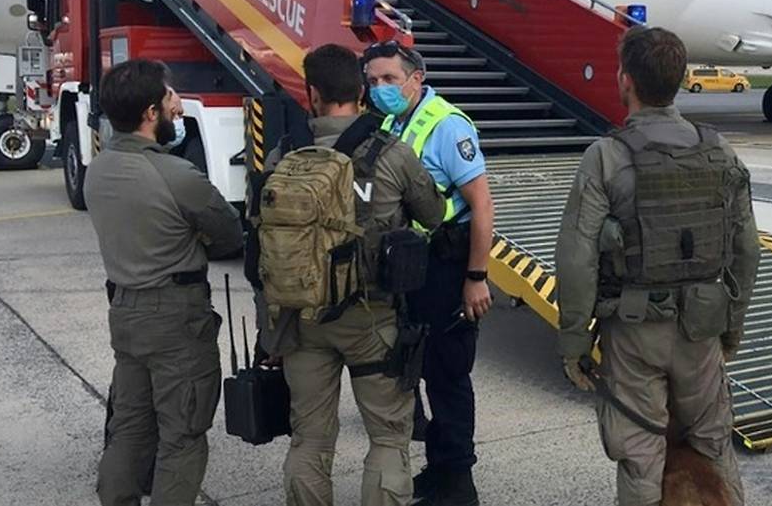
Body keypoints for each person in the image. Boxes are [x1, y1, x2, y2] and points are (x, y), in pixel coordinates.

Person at [554, 26, 760, 506]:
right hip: (702, 327)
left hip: (633, 332)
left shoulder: (606, 157)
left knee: (640, 453)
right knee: (713, 445)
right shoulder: (719, 151)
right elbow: (746, 249)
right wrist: (732, 329)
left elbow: (577, 256)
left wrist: (574, 342)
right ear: (680, 79)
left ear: (625, 80)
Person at [250, 44, 447, 506]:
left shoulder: (284, 154)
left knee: (311, 440)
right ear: (362, 92)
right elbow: (434, 214)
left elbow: (259, 237)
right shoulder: (391, 152)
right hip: (372, 317)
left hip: (302, 320)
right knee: (387, 437)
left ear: (312, 93)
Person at [87, 59, 243, 506]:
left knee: (130, 428)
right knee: (183, 434)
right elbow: (229, 232)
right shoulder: (175, 175)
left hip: (125, 311)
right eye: (171, 96)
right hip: (176, 318)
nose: (178, 104)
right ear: (150, 113)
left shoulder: (99, 168)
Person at [363, 41, 494, 506]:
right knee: (415, 368)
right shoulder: (387, 122)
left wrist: (476, 276)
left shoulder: (447, 125)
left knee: (448, 375)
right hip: (409, 269)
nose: (381, 89)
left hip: (447, 265)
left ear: (416, 78)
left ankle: (458, 483)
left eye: (390, 80)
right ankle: (438, 470)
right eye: (374, 81)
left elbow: (481, 205)